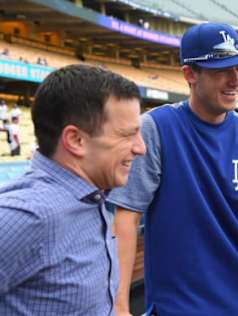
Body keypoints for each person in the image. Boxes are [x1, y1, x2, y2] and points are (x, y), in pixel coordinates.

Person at [108, 22, 238, 316]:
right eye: (223, 69)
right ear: (190, 74)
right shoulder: (157, 128)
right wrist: (119, 304)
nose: (236, 80)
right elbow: (126, 218)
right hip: (178, 309)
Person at [0, 64, 145, 315]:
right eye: (127, 135)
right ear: (76, 140)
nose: (140, 148)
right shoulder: (23, 216)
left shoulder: (93, 197)